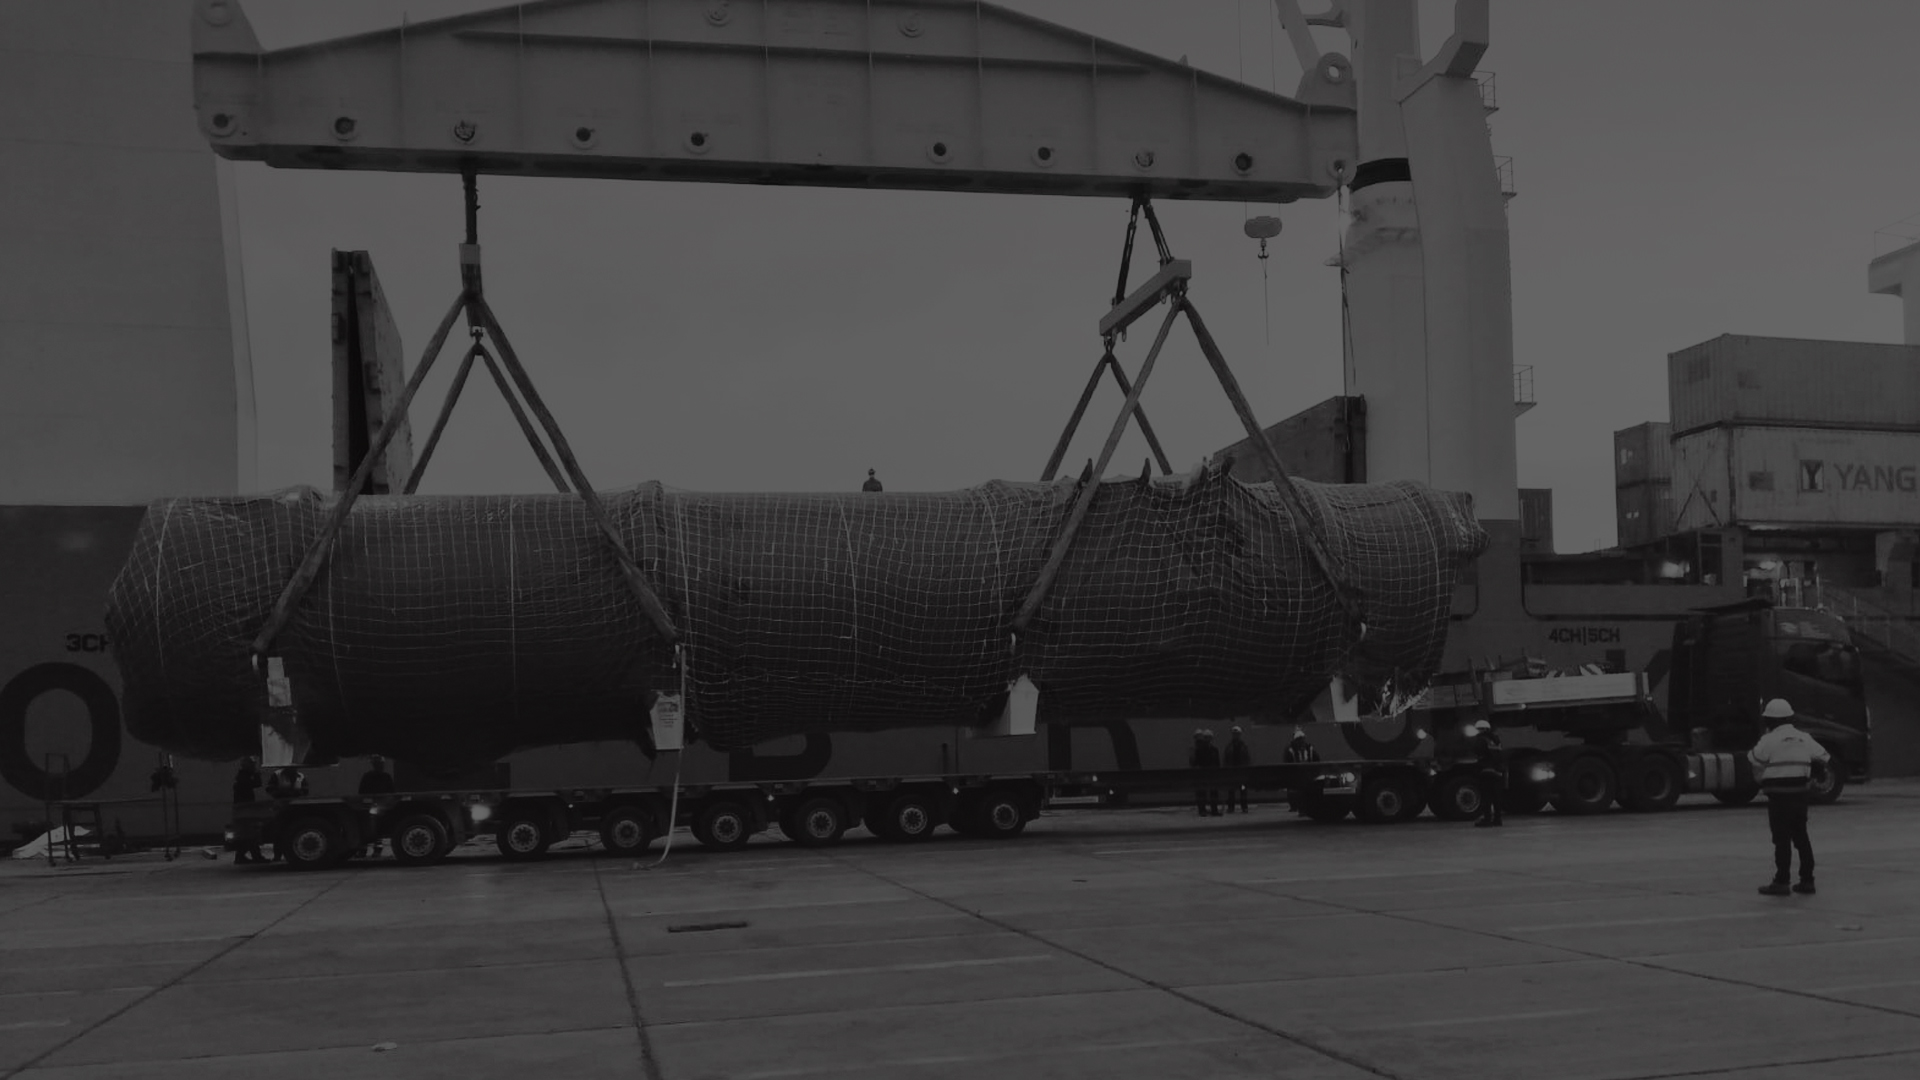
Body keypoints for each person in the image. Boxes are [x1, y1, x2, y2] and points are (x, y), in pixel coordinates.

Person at [1749, 697, 1830, 896]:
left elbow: (1754, 758)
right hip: (1800, 797)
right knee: (1801, 837)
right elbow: (1824, 757)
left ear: (1769, 720)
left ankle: (1782, 881)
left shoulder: (1769, 739)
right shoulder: (1804, 737)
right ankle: (1807, 881)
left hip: (1779, 799)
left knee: (1781, 840)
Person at [1466, 719, 1506, 828]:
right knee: (1496, 796)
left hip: (1486, 770)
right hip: (1497, 771)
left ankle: (1487, 819)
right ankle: (1498, 819)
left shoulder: (1481, 739)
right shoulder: (1496, 739)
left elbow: (1477, 751)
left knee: (1486, 796)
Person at [230, 756, 266, 864]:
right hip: (244, 810)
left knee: (248, 833)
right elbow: (256, 784)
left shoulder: (243, 776)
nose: (254, 767)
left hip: (244, 809)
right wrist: (257, 774)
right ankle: (252, 856)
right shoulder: (243, 777)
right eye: (252, 765)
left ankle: (246, 856)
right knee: (249, 833)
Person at [1189, 728, 1221, 817]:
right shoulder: (1200, 750)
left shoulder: (1215, 750)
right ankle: (1202, 810)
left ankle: (1214, 809)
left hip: (1213, 774)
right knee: (1202, 792)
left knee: (1214, 792)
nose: (1208, 739)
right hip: (1203, 774)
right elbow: (1196, 762)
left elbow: (1217, 763)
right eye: (1206, 737)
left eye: (1209, 737)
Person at [1223, 726, 1252, 813]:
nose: (1236, 735)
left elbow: (1247, 759)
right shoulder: (1229, 747)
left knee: (1243, 790)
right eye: (1234, 734)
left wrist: (1247, 771)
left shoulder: (1244, 746)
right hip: (1232, 773)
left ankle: (1244, 807)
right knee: (1231, 791)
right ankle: (1231, 807)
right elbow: (1226, 759)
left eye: (1237, 734)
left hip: (1242, 773)